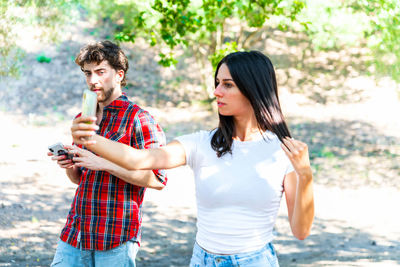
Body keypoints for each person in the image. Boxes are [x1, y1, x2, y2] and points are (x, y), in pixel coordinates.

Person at [70, 51, 314, 266]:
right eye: (217, 83)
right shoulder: (202, 143)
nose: (216, 91)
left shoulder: (282, 152)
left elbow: (301, 231)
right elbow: (139, 159)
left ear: (252, 88)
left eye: (227, 84)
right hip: (202, 260)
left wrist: (305, 176)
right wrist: (90, 139)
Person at [47, 40, 167, 267]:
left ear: (119, 74)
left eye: (101, 72)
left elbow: (158, 180)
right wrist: (70, 165)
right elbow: (78, 179)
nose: (93, 80)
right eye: (88, 73)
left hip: (116, 237)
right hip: (76, 232)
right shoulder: (83, 118)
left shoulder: (139, 119)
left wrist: (104, 163)